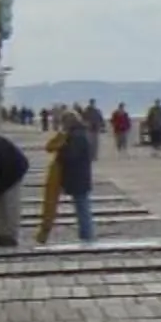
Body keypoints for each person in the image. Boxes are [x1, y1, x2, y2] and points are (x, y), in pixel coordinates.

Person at [56, 102, 98, 240]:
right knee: (82, 204)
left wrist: (61, 151)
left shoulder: (76, 136)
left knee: (82, 205)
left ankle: (87, 234)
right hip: (81, 174)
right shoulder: (81, 133)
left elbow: (72, 156)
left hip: (78, 174)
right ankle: (86, 233)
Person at [0, 130, 28, 248]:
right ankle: (3, 233)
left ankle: (10, 235)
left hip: (13, 171)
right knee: (2, 203)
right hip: (10, 168)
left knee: (9, 203)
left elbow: (1, 167)